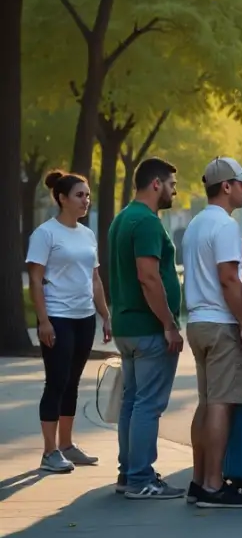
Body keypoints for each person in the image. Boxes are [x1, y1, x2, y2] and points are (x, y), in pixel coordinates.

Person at [180, 157, 242, 509]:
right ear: (226, 186)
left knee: (206, 402)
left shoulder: (196, 224)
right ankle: (214, 485)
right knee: (221, 405)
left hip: (197, 322)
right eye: (241, 183)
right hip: (220, 322)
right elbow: (229, 279)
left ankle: (199, 481)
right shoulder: (225, 226)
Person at [108, 157, 185, 500]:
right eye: (171, 185)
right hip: (149, 327)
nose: (174, 191)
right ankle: (140, 479)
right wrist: (169, 324)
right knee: (148, 405)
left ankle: (129, 473)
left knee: (132, 402)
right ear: (156, 184)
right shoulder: (148, 222)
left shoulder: (122, 218)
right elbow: (148, 277)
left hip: (126, 325)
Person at [26, 171, 112, 473]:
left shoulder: (87, 234)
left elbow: (94, 278)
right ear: (62, 198)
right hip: (57, 318)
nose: (85, 200)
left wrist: (104, 315)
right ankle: (49, 452)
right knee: (57, 381)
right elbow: (35, 281)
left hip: (83, 317)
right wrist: (44, 321)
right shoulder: (45, 234)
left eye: (87, 195)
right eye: (79, 195)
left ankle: (66, 445)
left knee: (73, 382)